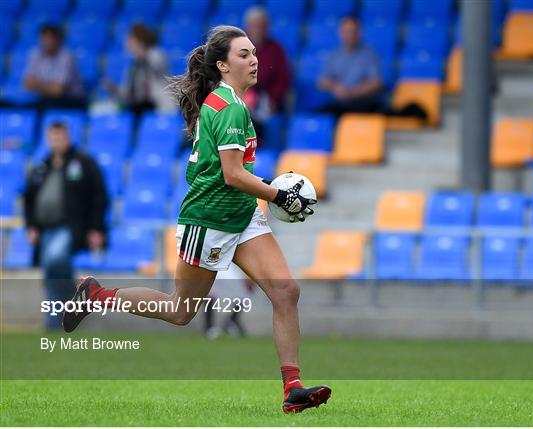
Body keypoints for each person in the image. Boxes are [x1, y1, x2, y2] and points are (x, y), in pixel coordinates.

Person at [62, 25, 331, 414]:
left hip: (240, 213)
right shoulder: (230, 107)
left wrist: (268, 190)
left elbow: (235, 175)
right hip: (208, 220)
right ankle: (97, 295)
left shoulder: (229, 102)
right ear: (222, 65)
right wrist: (277, 194)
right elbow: (231, 175)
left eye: (254, 52)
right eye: (243, 54)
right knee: (181, 311)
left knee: (286, 292)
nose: (254, 59)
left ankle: (293, 387)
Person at [24, 122, 108, 330]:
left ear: (68, 138)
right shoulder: (42, 167)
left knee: (55, 260)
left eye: (60, 137)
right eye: (53, 137)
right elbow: (29, 198)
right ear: (48, 139)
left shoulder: (83, 163)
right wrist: (31, 226)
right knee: (51, 272)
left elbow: (99, 195)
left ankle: (70, 303)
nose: (57, 141)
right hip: (45, 229)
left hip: (70, 227)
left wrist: (96, 227)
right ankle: (59, 319)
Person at [242, 7, 290, 145]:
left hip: (264, 100)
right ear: (247, 27)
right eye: (254, 26)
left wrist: (273, 100)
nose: (258, 30)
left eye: (261, 26)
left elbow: (283, 80)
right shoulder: (236, 47)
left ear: (267, 27)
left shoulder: (276, 50)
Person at [318, 16, 384, 115]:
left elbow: (376, 83)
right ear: (340, 33)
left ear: (359, 33)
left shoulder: (370, 54)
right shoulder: (334, 54)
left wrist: (354, 92)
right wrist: (336, 87)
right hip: (339, 103)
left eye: (352, 31)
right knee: (320, 115)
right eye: (346, 31)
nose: (349, 35)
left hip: (362, 103)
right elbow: (322, 81)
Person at [103, 23, 175, 115]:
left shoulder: (156, 54)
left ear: (139, 40)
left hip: (159, 107)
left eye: (130, 39)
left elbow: (157, 65)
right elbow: (128, 93)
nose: (127, 42)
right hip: (138, 108)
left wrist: (140, 51)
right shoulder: (133, 65)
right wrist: (114, 89)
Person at [23, 24, 85, 108]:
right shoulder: (35, 54)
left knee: (45, 106)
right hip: (46, 99)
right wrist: (49, 87)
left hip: (71, 101)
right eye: (44, 38)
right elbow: (27, 84)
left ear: (58, 39)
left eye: (50, 38)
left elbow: (59, 91)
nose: (47, 41)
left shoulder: (66, 57)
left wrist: (37, 85)